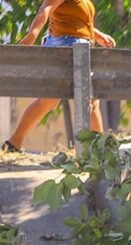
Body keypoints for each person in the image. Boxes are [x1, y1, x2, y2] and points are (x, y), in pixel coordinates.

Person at [2, 0, 116, 153]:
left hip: (77, 46)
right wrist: (31, 36)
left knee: (49, 101)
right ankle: (101, 152)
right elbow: (46, 9)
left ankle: (13, 144)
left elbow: (73, 21)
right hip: (66, 47)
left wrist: (97, 35)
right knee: (89, 100)